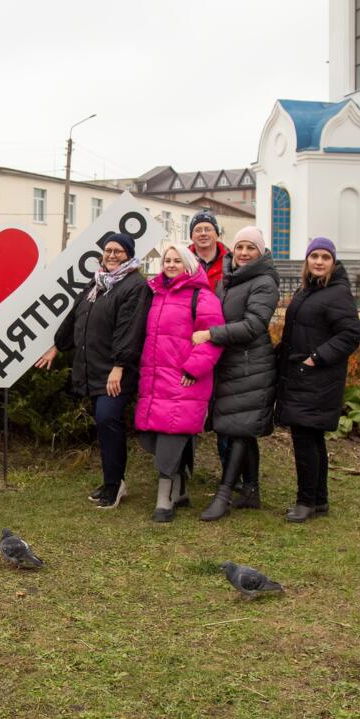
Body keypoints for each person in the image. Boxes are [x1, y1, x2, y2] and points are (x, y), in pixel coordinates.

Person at [36, 232, 150, 510]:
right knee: (104, 424)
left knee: (108, 418)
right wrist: (57, 346)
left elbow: (130, 330)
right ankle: (110, 480)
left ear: (129, 254)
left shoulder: (135, 285)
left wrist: (119, 366)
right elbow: (77, 315)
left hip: (115, 372)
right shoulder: (98, 282)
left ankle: (115, 484)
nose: (112, 255)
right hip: (93, 369)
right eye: (108, 250)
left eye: (118, 251)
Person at [191, 226, 280, 520]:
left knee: (240, 429)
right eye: (239, 247)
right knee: (242, 428)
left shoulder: (264, 282)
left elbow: (254, 325)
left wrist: (211, 334)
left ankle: (225, 493)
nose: (243, 253)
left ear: (261, 252)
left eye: (250, 248)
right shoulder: (230, 279)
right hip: (232, 362)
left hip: (251, 363)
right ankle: (251, 490)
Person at [133, 243, 225, 522]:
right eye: (167, 260)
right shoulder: (155, 295)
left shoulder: (203, 298)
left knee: (172, 436)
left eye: (176, 260)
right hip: (155, 378)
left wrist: (194, 368)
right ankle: (181, 487)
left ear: (188, 264)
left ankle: (164, 499)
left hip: (185, 379)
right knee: (154, 436)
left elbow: (212, 338)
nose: (170, 265)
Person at [276, 236, 360, 523]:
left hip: (316, 376)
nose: (319, 262)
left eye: (325, 257)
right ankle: (319, 500)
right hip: (302, 375)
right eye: (314, 257)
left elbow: (350, 335)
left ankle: (306, 502)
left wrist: (316, 358)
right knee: (312, 439)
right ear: (307, 261)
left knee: (305, 440)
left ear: (333, 262)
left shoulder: (337, 293)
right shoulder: (308, 292)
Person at [188, 208, 238, 490]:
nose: (203, 233)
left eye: (208, 228)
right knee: (189, 408)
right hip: (192, 344)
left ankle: (229, 475)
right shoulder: (182, 260)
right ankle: (182, 473)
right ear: (192, 235)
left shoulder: (232, 262)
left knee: (225, 412)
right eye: (198, 229)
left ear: (216, 233)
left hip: (223, 340)